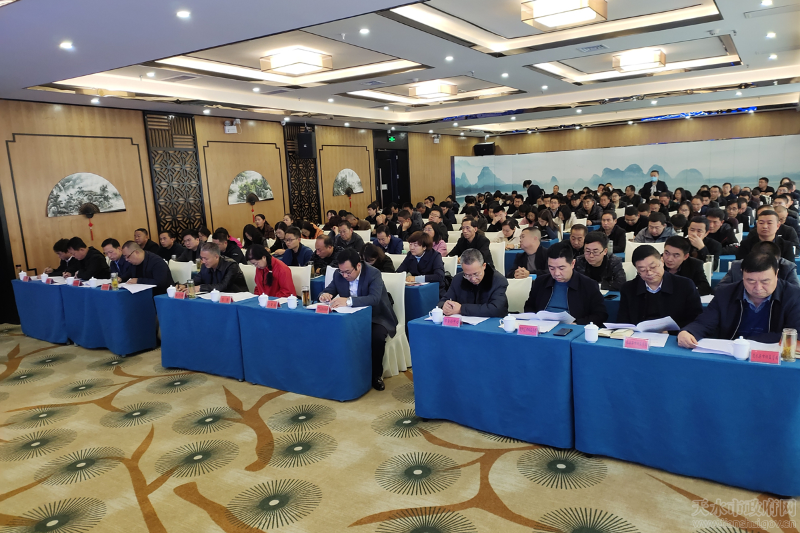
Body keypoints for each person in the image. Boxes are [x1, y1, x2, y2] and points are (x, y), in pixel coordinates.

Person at [678, 252, 800, 347]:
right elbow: (704, 322)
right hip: (733, 353)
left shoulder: (793, 295)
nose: (758, 288)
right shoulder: (726, 293)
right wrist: (689, 332)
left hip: (772, 354)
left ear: (776, 274)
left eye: (765, 281)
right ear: (742, 274)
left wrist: (746, 342)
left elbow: (796, 332)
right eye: (751, 281)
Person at [320, 248, 398, 391]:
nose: (344, 275)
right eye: (342, 272)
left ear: (358, 266)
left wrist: (348, 301)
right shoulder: (339, 274)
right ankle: (344, 371)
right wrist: (325, 295)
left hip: (376, 316)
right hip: (351, 318)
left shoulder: (373, 273)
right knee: (332, 331)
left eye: (348, 272)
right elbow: (329, 290)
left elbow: (374, 299)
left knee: (376, 337)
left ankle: (376, 375)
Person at [617, 245, 703, 332]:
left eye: (653, 267)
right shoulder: (628, 288)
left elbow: (696, 319)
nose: (649, 273)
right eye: (642, 270)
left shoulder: (685, 285)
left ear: (662, 261)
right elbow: (623, 321)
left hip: (674, 336)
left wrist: (671, 332)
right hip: (639, 337)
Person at [523, 244, 608, 325]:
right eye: (551, 268)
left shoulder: (588, 285)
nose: (556, 273)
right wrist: (534, 319)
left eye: (561, 268)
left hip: (571, 327)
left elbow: (600, 315)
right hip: (542, 326)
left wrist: (577, 323)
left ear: (573, 264)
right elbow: (529, 306)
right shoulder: (540, 282)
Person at [438, 248, 508, 317]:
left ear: (484, 266)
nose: (473, 279)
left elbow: (496, 309)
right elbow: (443, 301)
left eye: (476, 274)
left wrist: (461, 309)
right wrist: (444, 306)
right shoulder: (458, 279)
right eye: (467, 275)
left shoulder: (498, 281)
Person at [719, 241, 799, 288]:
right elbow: (720, 289)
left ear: (778, 259)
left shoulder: (788, 267)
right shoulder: (737, 266)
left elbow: (795, 292)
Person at [179, 242, 248, 293]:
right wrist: (185, 285)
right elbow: (197, 279)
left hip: (236, 297)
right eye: (202, 258)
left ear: (216, 257)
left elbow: (223, 286)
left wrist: (200, 288)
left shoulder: (231, 265)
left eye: (206, 258)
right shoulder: (205, 266)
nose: (203, 261)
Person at [395, 231, 447, 297]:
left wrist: (416, 279)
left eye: (415, 245)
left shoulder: (435, 256)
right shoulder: (410, 255)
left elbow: (439, 276)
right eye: (410, 244)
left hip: (434, 291)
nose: (412, 248)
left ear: (424, 247)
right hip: (416, 290)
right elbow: (399, 272)